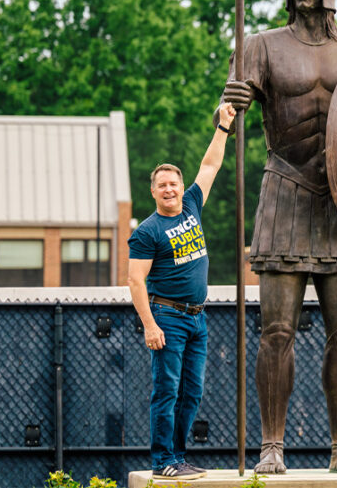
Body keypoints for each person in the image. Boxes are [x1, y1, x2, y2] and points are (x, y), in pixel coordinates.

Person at [220, 0, 337, 475]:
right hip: (286, 191)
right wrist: (232, 102)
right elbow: (228, 115)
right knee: (277, 331)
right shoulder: (261, 46)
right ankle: (272, 445)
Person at [128, 103, 236, 481]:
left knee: (192, 393)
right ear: (153, 192)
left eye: (174, 182)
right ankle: (163, 461)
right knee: (167, 392)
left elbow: (209, 166)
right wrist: (149, 325)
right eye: (163, 185)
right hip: (168, 318)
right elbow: (135, 281)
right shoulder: (147, 231)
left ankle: (178, 455)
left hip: (197, 317)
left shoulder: (192, 204)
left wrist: (223, 127)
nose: (170, 189)